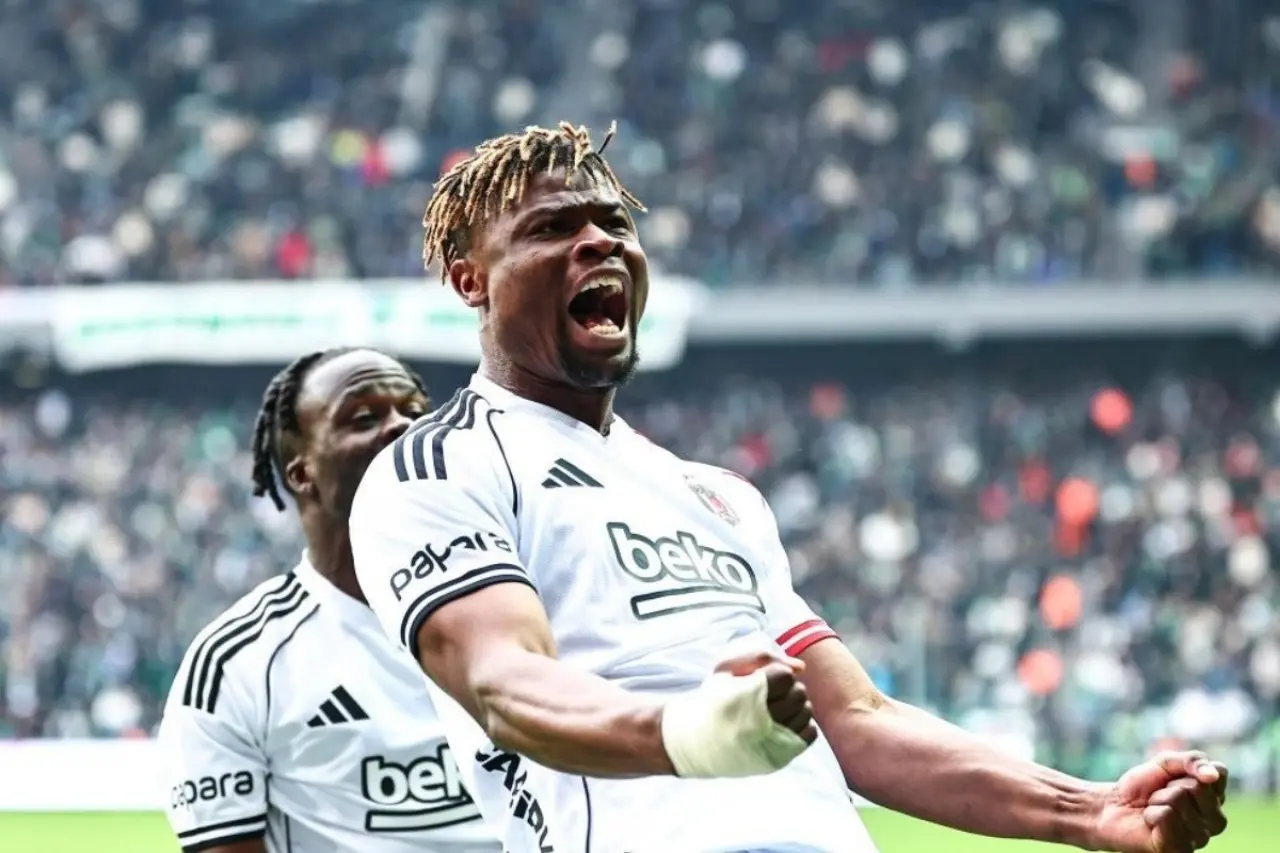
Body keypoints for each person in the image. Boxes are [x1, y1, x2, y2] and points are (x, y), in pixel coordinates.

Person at [347, 122, 1230, 853]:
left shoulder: (716, 496)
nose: (599, 241)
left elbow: (858, 720)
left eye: (614, 222)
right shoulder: (440, 467)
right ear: (470, 279)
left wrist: (1090, 811)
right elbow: (506, 684)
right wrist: (689, 732)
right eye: (551, 228)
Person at [157, 348, 499, 853]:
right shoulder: (237, 666)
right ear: (301, 473)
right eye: (363, 418)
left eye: (414, 411)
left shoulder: (520, 609)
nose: (402, 426)